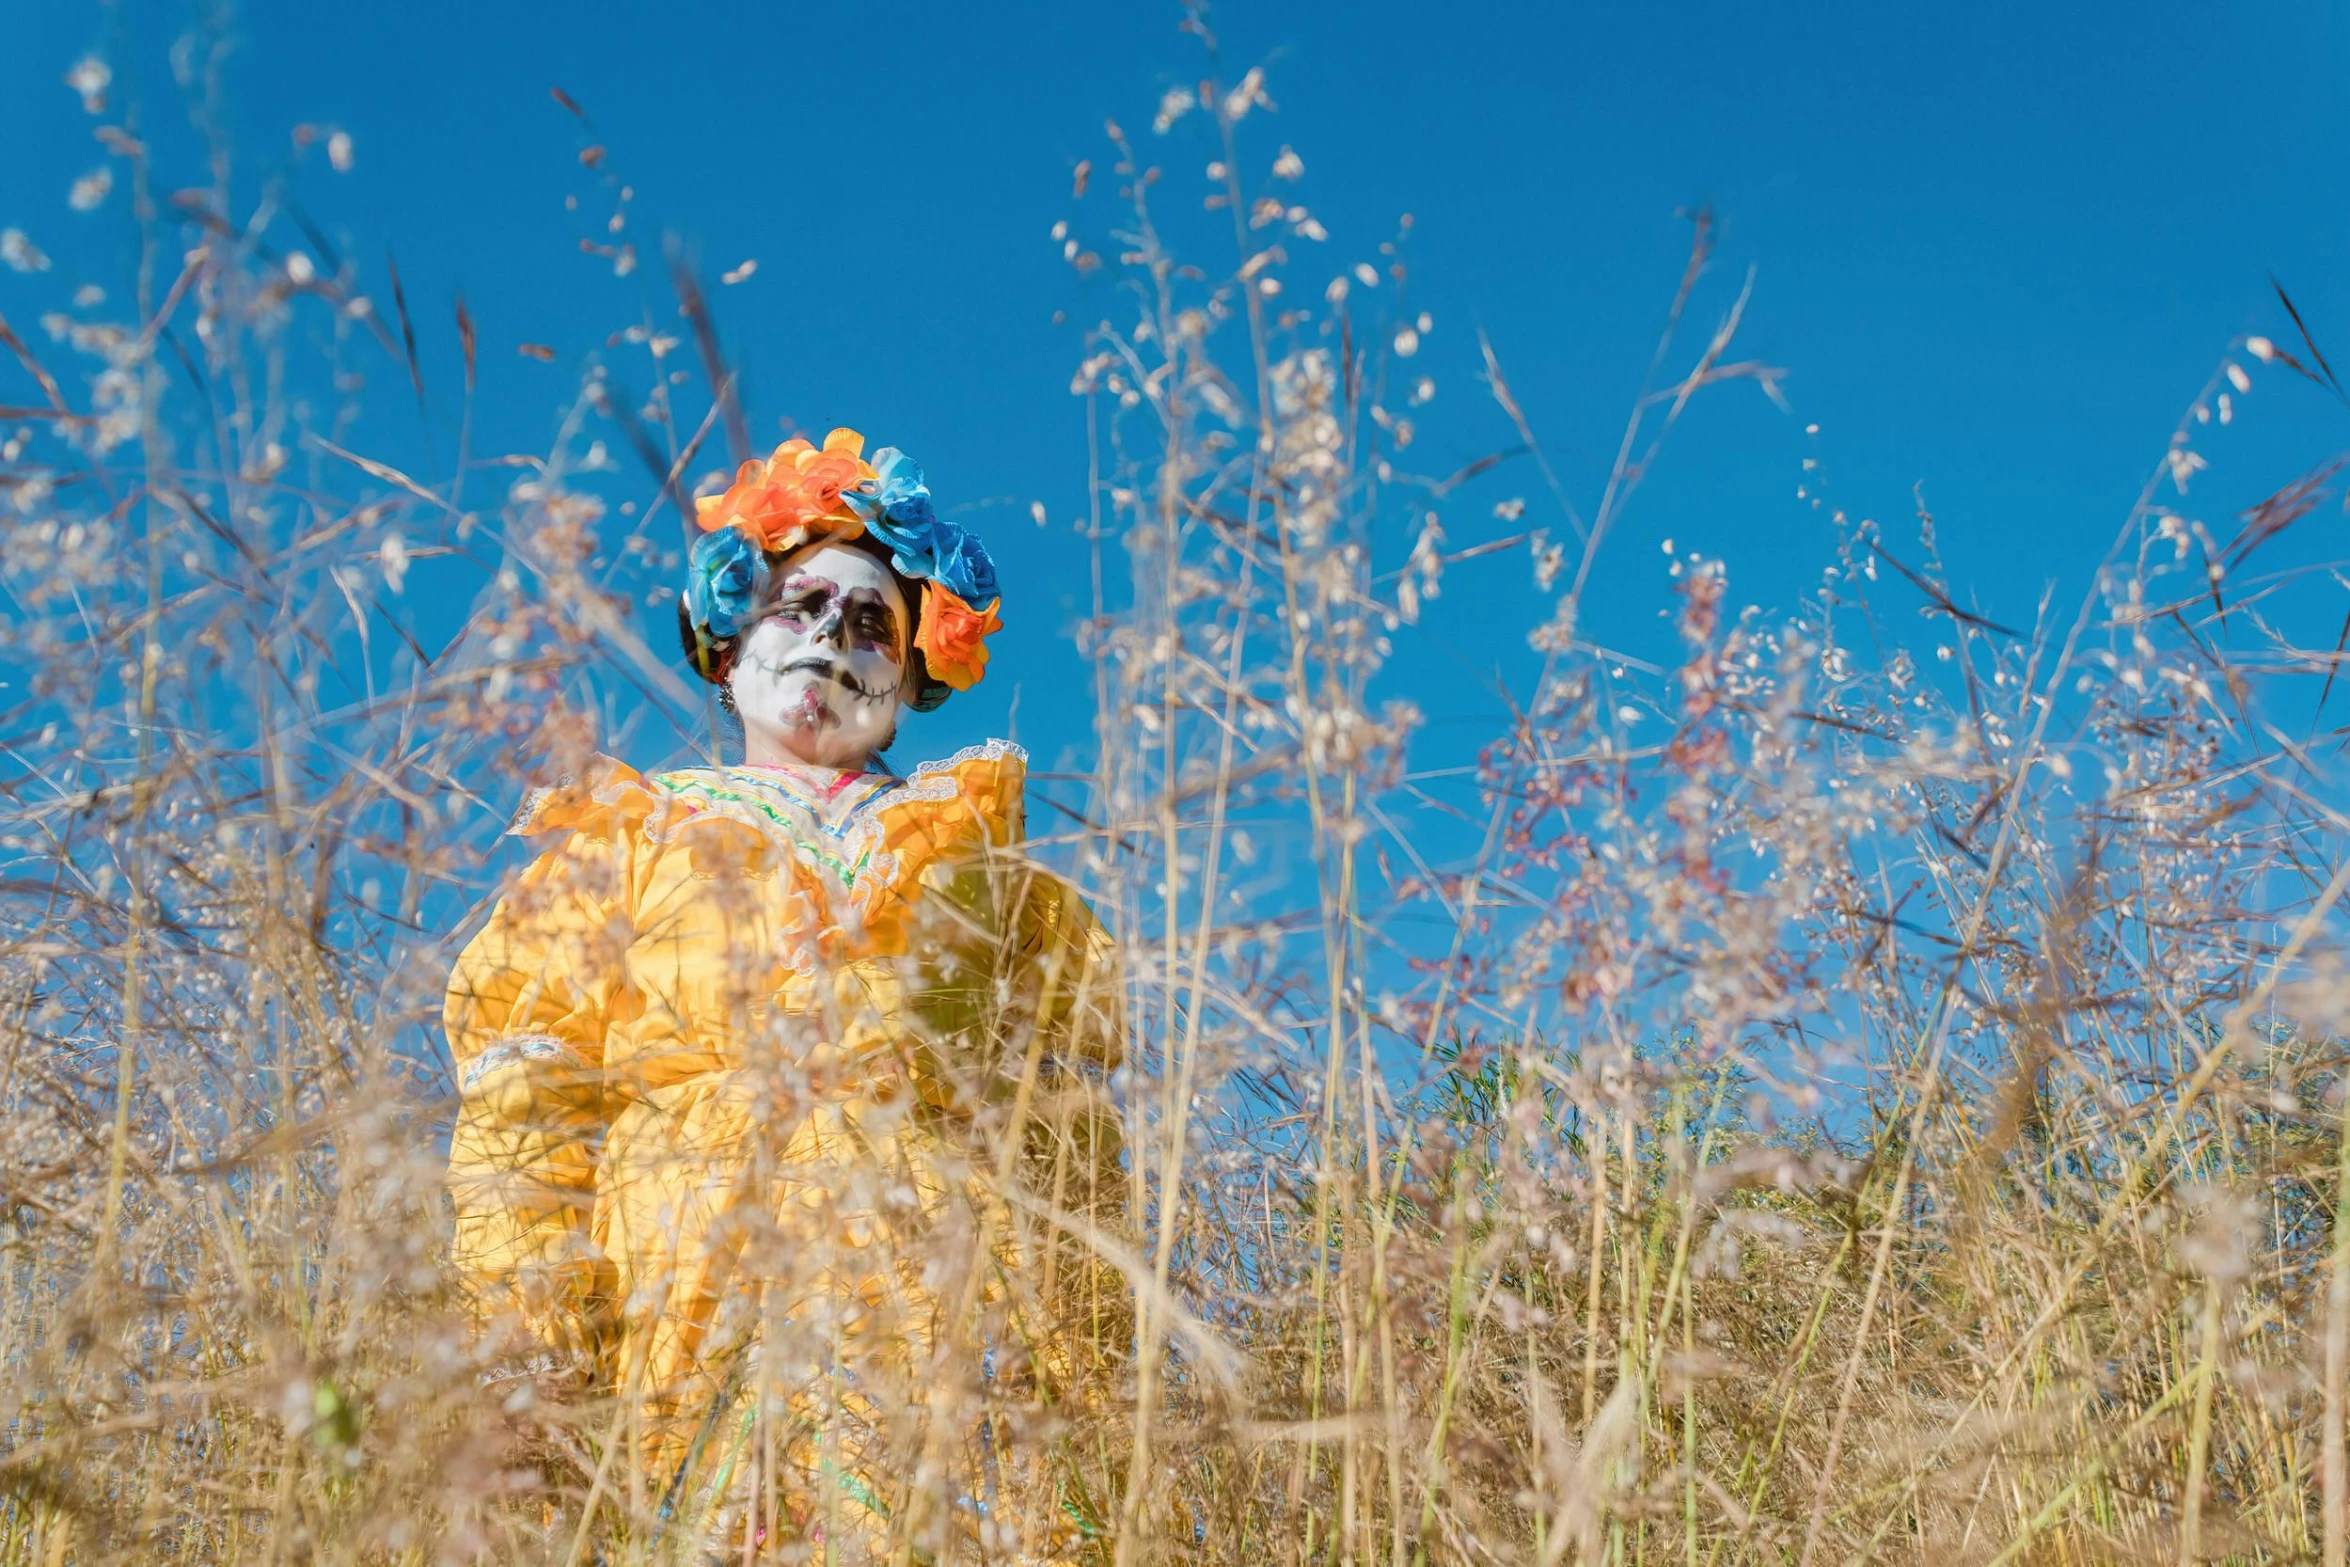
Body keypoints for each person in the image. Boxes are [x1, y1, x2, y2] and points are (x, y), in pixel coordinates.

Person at [443, 430, 1122, 1559]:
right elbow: (527, 1108)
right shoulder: (620, 843)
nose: (831, 642)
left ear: (910, 676)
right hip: (687, 1314)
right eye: (797, 608)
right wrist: (529, 1340)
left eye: (871, 627)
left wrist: (1086, 1367)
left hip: (942, 1330)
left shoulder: (989, 872)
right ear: (728, 647)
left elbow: (1069, 1143)